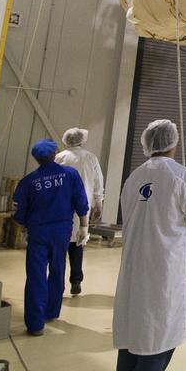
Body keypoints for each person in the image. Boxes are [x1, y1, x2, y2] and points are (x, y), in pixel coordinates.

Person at [111, 119, 186, 371]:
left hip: (134, 265)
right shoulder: (181, 176)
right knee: (159, 333)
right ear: (173, 142)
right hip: (165, 268)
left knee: (133, 333)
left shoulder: (134, 177)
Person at [12, 139, 89, 336]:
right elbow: (81, 200)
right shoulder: (70, 175)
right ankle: (52, 311)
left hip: (38, 231)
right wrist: (84, 226)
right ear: (55, 154)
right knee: (57, 269)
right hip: (61, 231)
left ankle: (35, 324)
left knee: (36, 275)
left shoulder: (29, 181)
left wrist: (26, 225)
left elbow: (19, 212)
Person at [55, 127, 104, 297]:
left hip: (61, 207)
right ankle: (76, 281)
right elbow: (98, 181)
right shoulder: (90, 158)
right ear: (81, 140)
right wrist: (99, 202)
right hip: (83, 206)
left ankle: (57, 284)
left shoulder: (60, 157)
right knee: (78, 243)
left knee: (59, 247)